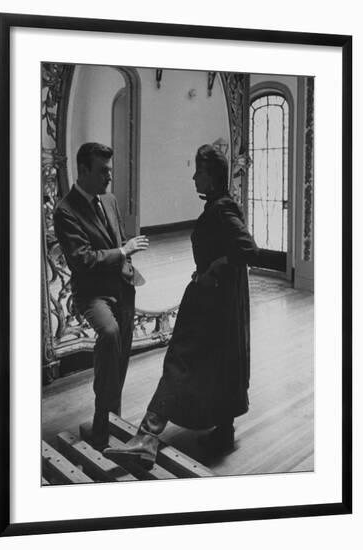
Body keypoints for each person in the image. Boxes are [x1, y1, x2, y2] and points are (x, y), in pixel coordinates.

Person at [104, 144, 259, 468]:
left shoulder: (221, 209)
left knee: (180, 361)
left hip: (211, 302)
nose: (193, 177)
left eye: (198, 172)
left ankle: (146, 438)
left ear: (212, 176)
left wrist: (213, 269)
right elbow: (228, 247)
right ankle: (223, 431)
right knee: (221, 360)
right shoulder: (221, 205)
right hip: (221, 300)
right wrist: (209, 266)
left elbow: (247, 249)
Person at [53, 142, 149, 450]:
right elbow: (83, 260)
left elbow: (119, 239)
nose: (109, 177)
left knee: (119, 358)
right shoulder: (65, 211)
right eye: (103, 171)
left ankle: (110, 423)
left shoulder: (109, 199)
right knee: (109, 334)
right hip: (92, 293)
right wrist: (123, 251)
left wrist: (126, 262)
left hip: (121, 287)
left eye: (109, 170)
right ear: (83, 171)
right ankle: (101, 423)